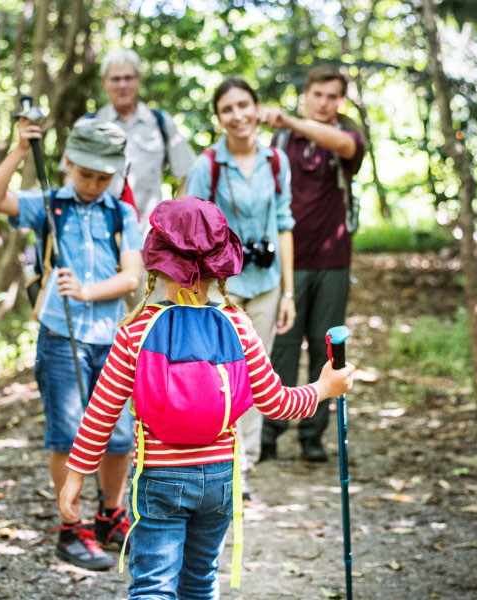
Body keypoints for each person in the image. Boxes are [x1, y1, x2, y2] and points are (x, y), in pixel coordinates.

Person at [57, 197, 356, 599]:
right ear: (220, 267)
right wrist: (324, 388)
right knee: (199, 582)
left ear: (156, 261)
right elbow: (277, 404)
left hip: (159, 478)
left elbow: (101, 413)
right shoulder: (238, 325)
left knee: (153, 586)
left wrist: (75, 476)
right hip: (219, 480)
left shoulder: (135, 332)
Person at [0, 117, 143, 570]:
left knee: (118, 434)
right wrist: (19, 150)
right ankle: (70, 528)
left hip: (112, 339)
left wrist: (87, 291)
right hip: (61, 336)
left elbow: (132, 276)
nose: (94, 184)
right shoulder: (51, 205)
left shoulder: (121, 213)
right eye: (86, 174)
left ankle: (110, 514)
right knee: (69, 433)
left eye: (103, 176)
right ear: (68, 163)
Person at [184, 77, 296, 498]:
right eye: (227, 109)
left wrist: (288, 291)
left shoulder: (275, 161)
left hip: (267, 282)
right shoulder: (207, 165)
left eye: (244, 105)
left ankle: (243, 465)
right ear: (219, 118)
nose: (238, 116)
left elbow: (284, 225)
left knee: (256, 373)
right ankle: (216, 460)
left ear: (257, 106)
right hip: (220, 286)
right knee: (220, 373)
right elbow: (187, 228)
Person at [258, 66, 367, 462]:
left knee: (327, 345)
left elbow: (345, 146)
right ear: (306, 94)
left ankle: (313, 435)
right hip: (288, 260)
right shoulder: (283, 138)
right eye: (317, 94)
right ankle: (271, 431)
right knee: (282, 344)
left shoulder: (347, 133)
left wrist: (287, 117)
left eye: (332, 96)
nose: (324, 102)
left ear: (340, 100)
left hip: (333, 259)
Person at [70, 48, 197, 234]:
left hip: (148, 236)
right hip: (97, 234)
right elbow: (70, 178)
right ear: (105, 82)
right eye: (115, 79)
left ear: (138, 79)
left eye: (128, 78)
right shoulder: (88, 124)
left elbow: (191, 174)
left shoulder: (159, 122)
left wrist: (172, 218)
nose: (122, 85)